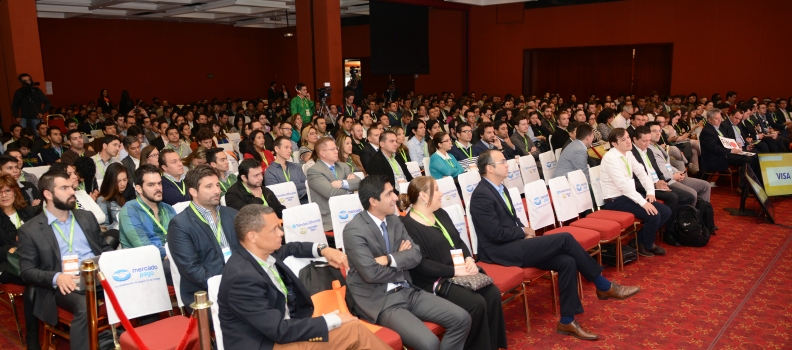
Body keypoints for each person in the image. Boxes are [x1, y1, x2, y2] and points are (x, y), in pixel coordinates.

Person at [470, 149, 640, 340]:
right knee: (565, 238)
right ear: (489, 168)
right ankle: (602, 284)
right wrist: (522, 231)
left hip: (515, 243)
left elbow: (508, 221)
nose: (507, 164)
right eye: (502, 162)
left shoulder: (500, 188)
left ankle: (567, 321)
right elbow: (494, 233)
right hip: (499, 251)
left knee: (566, 261)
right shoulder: (481, 195)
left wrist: (522, 232)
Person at [219, 204, 388, 349]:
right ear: (252, 237)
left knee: (350, 329)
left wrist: (324, 249)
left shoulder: (264, 253)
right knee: (353, 329)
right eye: (274, 230)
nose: (281, 233)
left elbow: (293, 247)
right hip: (268, 343)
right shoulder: (241, 277)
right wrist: (331, 319)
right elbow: (279, 330)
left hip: (283, 331)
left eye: (279, 227)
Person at [343, 175, 471, 349]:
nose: (396, 197)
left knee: (462, 319)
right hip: (381, 300)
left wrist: (389, 259)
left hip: (408, 290)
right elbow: (371, 274)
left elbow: (416, 255)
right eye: (389, 194)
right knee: (430, 343)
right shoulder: (354, 230)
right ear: (373, 201)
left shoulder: (395, 220)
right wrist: (401, 260)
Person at [399, 176, 506, 350]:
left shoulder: (440, 213)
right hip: (434, 280)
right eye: (437, 190)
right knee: (476, 303)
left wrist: (469, 258)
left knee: (492, 293)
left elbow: (458, 241)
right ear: (424, 196)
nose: (441, 194)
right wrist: (455, 271)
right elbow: (421, 264)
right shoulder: (407, 225)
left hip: (458, 272)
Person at [17, 170, 113, 350]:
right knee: (85, 306)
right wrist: (56, 277)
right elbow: (26, 271)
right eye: (64, 188)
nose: (72, 191)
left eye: (71, 186)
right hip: (63, 286)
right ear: (48, 194)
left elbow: (104, 248)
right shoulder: (30, 230)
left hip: (96, 278)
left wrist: (113, 262)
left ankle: (122, 341)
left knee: (134, 287)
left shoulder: (86, 217)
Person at [167, 165, 240, 308]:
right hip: (205, 294)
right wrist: (228, 285)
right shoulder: (180, 225)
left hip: (240, 282)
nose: (217, 191)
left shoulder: (231, 214)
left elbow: (246, 250)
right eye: (209, 186)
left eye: (218, 185)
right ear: (193, 191)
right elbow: (192, 269)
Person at [600, 128, 673, 257]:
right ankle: (647, 245)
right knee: (653, 215)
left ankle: (638, 241)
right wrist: (643, 202)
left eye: (628, 137)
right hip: (615, 199)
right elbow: (622, 185)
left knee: (666, 211)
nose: (628, 141)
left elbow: (642, 173)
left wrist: (650, 192)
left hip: (629, 195)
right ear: (614, 144)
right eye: (623, 139)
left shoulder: (628, 153)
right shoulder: (610, 158)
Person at [631, 126, 695, 247]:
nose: (647, 143)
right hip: (643, 188)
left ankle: (674, 224)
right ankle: (668, 232)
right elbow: (634, 180)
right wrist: (655, 184)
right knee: (673, 197)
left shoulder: (648, 151)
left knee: (688, 197)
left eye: (648, 140)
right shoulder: (631, 154)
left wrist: (662, 181)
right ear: (634, 139)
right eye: (644, 141)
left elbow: (657, 170)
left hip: (657, 184)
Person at [118, 165, 176, 284]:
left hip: (171, 260)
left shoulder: (168, 209)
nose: (158, 188)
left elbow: (181, 238)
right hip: (143, 268)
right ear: (139, 188)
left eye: (159, 183)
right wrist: (170, 252)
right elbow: (144, 247)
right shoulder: (130, 210)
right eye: (151, 185)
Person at [647, 123, 712, 207]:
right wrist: (673, 175)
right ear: (647, 133)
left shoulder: (657, 146)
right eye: (654, 131)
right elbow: (658, 170)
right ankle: (688, 218)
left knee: (705, 186)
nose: (658, 133)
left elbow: (667, 164)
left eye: (659, 131)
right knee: (692, 194)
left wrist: (678, 172)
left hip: (673, 175)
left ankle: (702, 213)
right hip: (666, 179)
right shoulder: (647, 149)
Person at [306, 137, 361, 231]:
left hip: (350, 213)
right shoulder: (314, 171)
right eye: (332, 149)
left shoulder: (343, 166)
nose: (336, 151)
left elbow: (359, 182)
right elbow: (331, 193)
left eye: (336, 148)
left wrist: (342, 183)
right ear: (322, 153)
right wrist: (350, 188)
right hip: (330, 219)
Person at [700, 108, 756, 186]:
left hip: (724, 154)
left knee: (754, 157)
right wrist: (731, 151)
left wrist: (735, 145)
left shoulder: (718, 128)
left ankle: (752, 184)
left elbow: (726, 141)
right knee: (748, 159)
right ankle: (743, 187)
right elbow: (714, 148)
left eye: (720, 118)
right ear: (709, 120)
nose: (719, 120)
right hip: (715, 158)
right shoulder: (707, 131)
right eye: (716, 119)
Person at [265, 137, 308, 204]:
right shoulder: (270, 172)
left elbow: (306, 184)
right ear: (276, 149)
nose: (289, 151)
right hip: (283, 205)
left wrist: (287, 187)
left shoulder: (296, 167)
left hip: (303, 201)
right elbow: (277, 192)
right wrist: (296, 186)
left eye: (290, 148)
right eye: (286, 147)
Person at [95, 163, 129, 231]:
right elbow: (104, 228)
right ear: (111, 182)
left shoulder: (126, 194)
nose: (123, 184)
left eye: (125, 180)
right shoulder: (102, 200)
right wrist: (119, 223)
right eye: (118, 181)